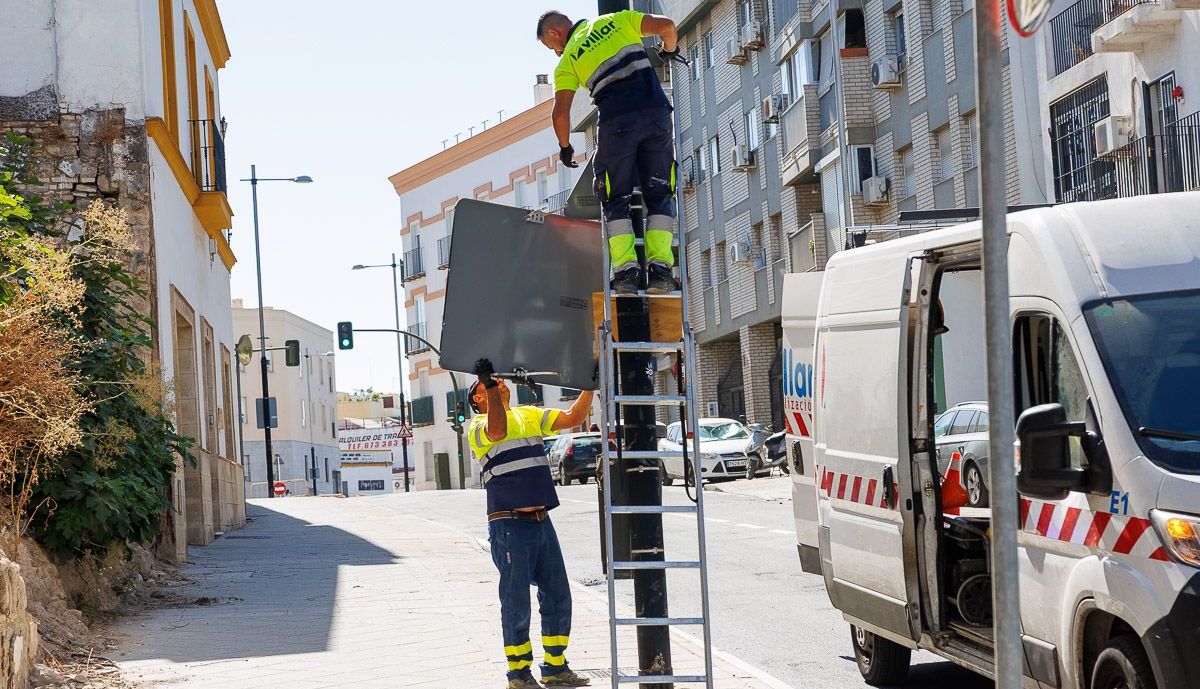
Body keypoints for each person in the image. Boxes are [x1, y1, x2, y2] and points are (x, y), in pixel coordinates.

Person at [468, 358, 595, 689]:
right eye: (488, 383)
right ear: (478, 398)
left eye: (498, 381)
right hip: (509, 525)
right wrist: (490, 386)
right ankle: (519, 674)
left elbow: (573, 417)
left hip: (541, 522)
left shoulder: (529, 415)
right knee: (516, 601)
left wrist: (589, 386)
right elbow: (498, 430)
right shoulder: (477, 426)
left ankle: (555, 667)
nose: (499, 383)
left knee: (557, 594)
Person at [537, 9, 680, 295]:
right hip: (656, 115)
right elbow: (667, 26)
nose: (555, 52)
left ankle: (626, 273)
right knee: (660, 193)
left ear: (554, 33)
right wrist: (669, 51)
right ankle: (661, 273)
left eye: (550, 46)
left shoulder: (568, 60)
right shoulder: (617, 20)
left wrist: (565, 146)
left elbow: (560, 112)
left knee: (615, 198)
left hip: (617, 124)